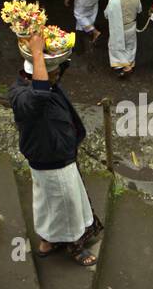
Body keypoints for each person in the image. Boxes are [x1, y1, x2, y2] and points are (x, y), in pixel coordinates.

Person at [9, 32, 101, 266]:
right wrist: (38, 53)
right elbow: (39, 93)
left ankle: (47, 241)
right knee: (66, 204)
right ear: (36, 73)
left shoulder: (43, 82)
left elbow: (52, 76)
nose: (58, 75)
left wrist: (52, 50)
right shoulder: (23, 96)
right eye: (53, 71)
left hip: (56, 155)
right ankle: (75, 247)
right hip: (51, 159)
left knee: (47, 202)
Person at [103, 0, 141, 76]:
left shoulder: (113, 1)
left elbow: (106, 14)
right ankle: (130, 63)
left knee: (115, 46)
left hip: (120, 28)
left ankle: (126, 66)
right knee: (130, 46)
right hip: (132, 26)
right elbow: (139, 10)